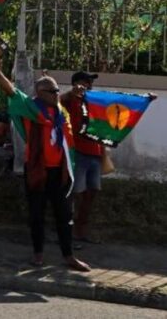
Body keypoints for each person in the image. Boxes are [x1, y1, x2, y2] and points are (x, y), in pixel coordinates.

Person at [0, 50, 91, 272]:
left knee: (64, 215)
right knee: (36, 214)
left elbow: (66, 101)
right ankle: (38, 254)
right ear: (39, 92)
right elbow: (12, 91)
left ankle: (68, 256)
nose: (56, 94)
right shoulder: (31, 108)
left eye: (57, 90)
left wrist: (74, 91)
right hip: (38, 170)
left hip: (61, 173)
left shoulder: (60, 112)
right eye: (52, 91)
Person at [60, 71, 104, 246]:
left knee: (91, 193)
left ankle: (81, 230)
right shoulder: (70, 100)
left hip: (95, 153)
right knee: (74, 194)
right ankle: (67, 233)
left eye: (90, 82)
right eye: (86, 82)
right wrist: (72, 93)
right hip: (77, 153)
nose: (89, 85)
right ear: (76, 83)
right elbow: (56, 103)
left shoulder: (94, 101)